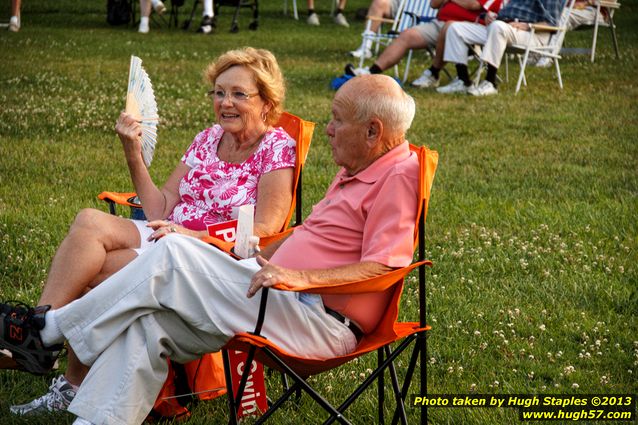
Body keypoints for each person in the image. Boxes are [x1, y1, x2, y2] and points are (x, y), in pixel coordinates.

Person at [0, 74, 420, 425]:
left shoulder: (398, 174)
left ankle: (46, 331)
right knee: (150, 322)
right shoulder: (356, 170)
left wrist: (297, 276)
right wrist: (258, 257)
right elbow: (307, 237)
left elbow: (387, 264)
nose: (327, 128)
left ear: (372, 132)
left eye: (336, 120)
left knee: (173, 252)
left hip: (316, 318)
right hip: (276, 295)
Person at [6, 47, 296, 416]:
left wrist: (195, 236)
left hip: (207, 257)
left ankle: (61, 372)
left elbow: (268, 227)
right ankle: (38, 332)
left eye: (239, 94)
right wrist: (132, 152)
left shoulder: (276, 148)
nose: (225, 102)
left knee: (96, 272)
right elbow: (160, 206)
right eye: (219, 92)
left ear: (267, 102)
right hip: (167, 231)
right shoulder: (208, 138)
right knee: (88, 221)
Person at [345, 0, 503, 88]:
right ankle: (371, 71)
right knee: (406, 35)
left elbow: (473, 4)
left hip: (467, 26)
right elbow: (434, 4)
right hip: (438, 23)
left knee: (448, 28)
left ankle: (433, 74)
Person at [437, 0, 566, 96]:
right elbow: (505, 13)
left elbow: (551, 23)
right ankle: (463, 80)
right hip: (505, 27)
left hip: (532, 34)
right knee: (455, 28)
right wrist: (489, 16)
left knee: (498, 27)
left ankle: (490, 82)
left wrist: (527, 25)